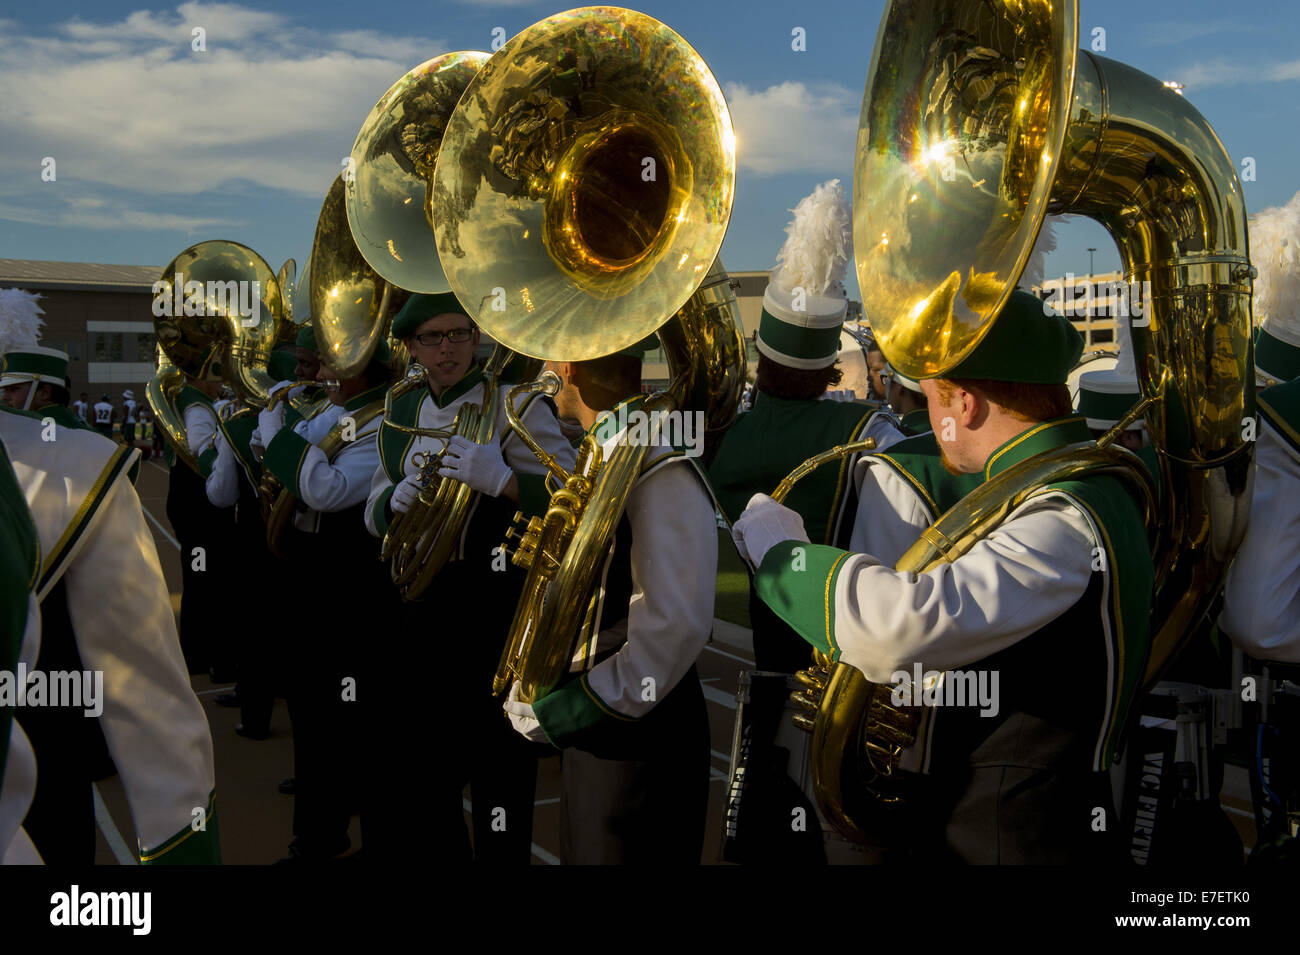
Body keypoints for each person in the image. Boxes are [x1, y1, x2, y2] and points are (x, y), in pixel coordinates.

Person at [735, 290, 1154, 864]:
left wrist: (782, 553)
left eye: (934, 399)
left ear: (966, 402)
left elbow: (899, 627)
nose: (931, 423)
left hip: (1012, 832)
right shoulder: (1075, 485)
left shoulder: (1064, 513)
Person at [365, 292, 575, 863]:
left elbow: (575, 500)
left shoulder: (516, 405)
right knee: (424, 779)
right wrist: (390, 503)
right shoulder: (399, 410)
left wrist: (506, 483)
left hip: (494, 610)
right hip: (421, 608)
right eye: (432, 338)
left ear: (477, 337)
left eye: (459, 334)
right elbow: (371, 506)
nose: (448, 348)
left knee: (500, 775)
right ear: (411, 347)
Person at [502, 338, 716, 864]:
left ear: (568, 366)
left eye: (549, 352)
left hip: (634, 731)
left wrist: (569, 710)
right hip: (608, 719)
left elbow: (675, 626)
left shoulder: (654, 459)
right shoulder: (609, 447)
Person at [710, 180, 904, 676]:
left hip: (769, 655)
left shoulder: (724, 439)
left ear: (761, 353)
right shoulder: (867, 430)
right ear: (831, 366)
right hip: (850, 653)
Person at [256, 337, 392, 862]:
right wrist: (274, 434)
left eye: (337, 362)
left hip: (350, 581)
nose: (324, 372)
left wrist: (274, 434)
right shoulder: (336, 411)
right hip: (316, 573)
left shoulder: (378, 419)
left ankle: (320, 837)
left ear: (365, 368)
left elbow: (326, 489)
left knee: (332, 713)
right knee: (317, 710)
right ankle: (320, 827)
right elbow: (290, 452)